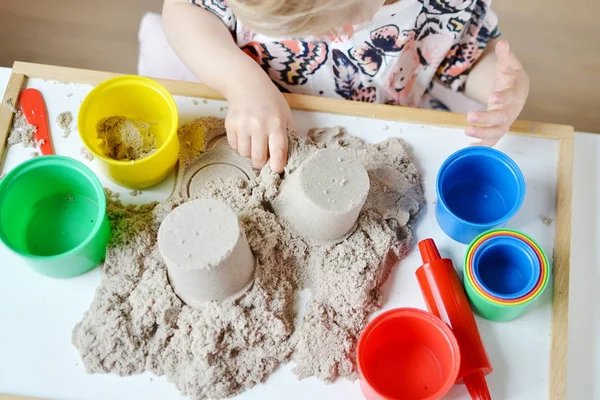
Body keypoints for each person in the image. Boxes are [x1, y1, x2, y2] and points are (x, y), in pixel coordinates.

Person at [162, 0, 529, 173]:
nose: (331, 40)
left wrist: (504, 87)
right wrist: (241, 82)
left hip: (384, 123)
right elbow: (183, 12)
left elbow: (468, 54)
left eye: (334, 25)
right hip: (262, 108)